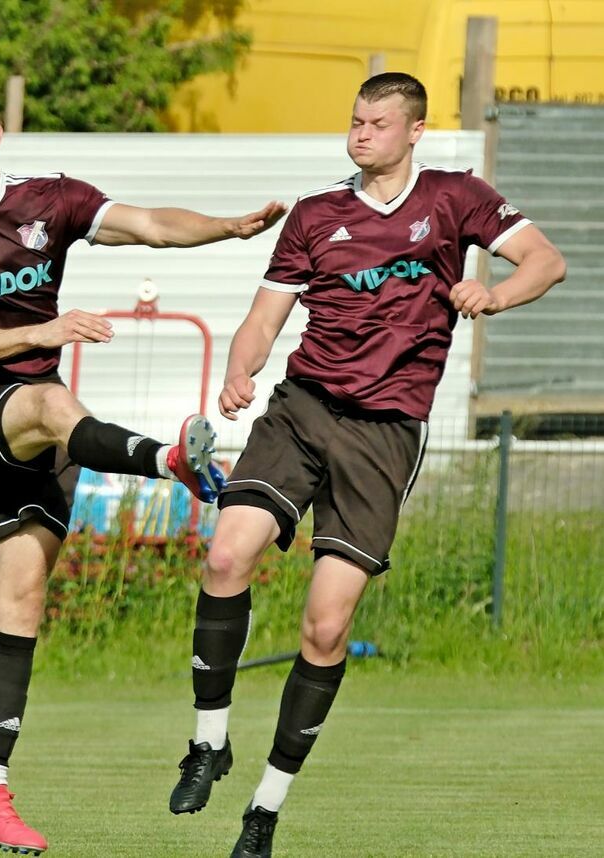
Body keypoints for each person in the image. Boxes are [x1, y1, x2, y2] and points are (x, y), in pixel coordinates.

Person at [168, 73, 566, 858]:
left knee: (325, 627)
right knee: (224, 555)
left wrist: (495, 293)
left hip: (385, 435)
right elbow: (263, 317)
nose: (362, 134)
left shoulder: (457, 198)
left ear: (414, 131)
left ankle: (266, 808)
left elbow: (546, 261)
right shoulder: (318, 214)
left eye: (379, 124)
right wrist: (240, 370)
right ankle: (208, 744)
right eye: (355, 120)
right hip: (301, 410)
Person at [0, 87, 286, 855]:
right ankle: (169, 461)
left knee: (21, 603)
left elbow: (150, 226)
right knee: (48, 400)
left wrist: (229, 229)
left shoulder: (52, 201)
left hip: (41, 432)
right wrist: (50, 327)